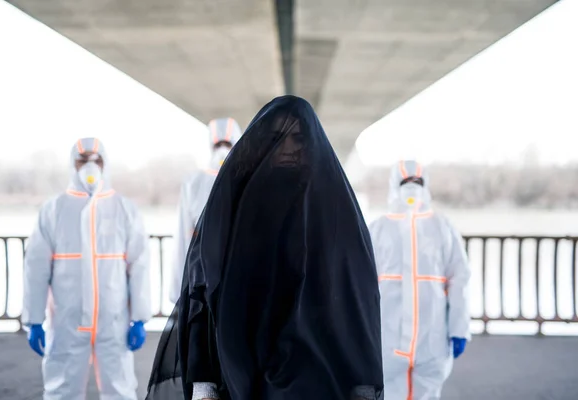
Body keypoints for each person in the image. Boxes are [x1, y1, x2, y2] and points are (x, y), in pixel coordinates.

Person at [146, 96, 384, 400]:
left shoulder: (332, 207)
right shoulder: (233, 205)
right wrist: (204, 382)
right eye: (276, 138)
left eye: (298, 137)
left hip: (319, 371)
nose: (288, 146)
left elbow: (355, 296)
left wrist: (361, 382)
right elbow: (205, 289)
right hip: (242, 370)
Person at [22, 137, 152, 400]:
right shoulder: (53, 209)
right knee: (62, 390)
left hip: (113, 320)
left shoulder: (123, 208)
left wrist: (139, 316)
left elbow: (139, 265)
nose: (90, 167)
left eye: (97, 160)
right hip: (66, 320)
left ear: (106, 164)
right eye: (83, 161)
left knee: (120, 389)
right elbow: (35, 268)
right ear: (73, 165)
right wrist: (33, 319)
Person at [368, 160, 471, 400]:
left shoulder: (442, 227)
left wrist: (459, 327)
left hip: (432, 334)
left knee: (428, 390)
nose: (411, 188)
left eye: (417, 182)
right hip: (388, 334)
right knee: (389, 390)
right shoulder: (378, 228)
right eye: (406, 182)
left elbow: (459, 278)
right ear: (395, 185)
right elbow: (362, 283)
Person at [169, 117, 242, 304]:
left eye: (228, 144)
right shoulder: (193, 184)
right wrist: (178, 290)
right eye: (217, 144)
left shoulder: (248, 179)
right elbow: (182, 236)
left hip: (239, 276)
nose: (222, 150)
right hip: (201, 278)